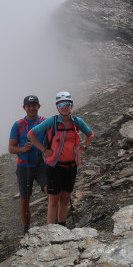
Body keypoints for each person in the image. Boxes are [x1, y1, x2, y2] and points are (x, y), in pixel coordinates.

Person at [27, 91, 94, 226]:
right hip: (55, 167)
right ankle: (51, 231)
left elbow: (90, 134)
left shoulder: (77, 122)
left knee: (64, 200)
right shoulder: (52, 121)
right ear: (57, 107)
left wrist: (84, 146)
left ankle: (62, 228)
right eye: (61, 104)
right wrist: (45, 150)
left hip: (71, 167)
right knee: (53, 201)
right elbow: (31, 135)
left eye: (67, 104)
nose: (65, 106)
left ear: (71, 105)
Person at [8, 95, 47, 234]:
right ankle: (26, 230)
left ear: (38, 106)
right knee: (25, 199)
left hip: (42, 165)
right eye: (29, 106)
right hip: (24, 167)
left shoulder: (45, 122)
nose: (31, 108)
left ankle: (54, 224)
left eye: (34, 105)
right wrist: (23, 149)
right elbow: (11, 148)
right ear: (24, 107)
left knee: (52, 192)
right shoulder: (18, 125)